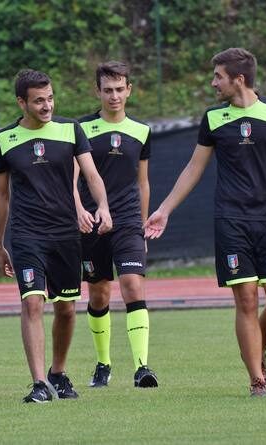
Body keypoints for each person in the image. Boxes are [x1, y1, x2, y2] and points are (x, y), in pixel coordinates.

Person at [144, 48, 266, 397]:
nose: (213, 83)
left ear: (239, 79)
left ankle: (256, 349)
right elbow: (194, 168)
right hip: (231, 221)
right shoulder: (213, 119)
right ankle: (256, 379)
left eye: (218, 77)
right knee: (247, 301)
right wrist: (164, 209)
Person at [0, 69, 112, 403]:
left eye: (50, 99)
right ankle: (39, 383)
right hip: (27, 234)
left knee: (67, 309)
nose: (46, 106)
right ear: (21, 102)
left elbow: (91, 174)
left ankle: (58, 373)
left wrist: (103, 206)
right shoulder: (4, 139)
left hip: (65, 234)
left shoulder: (71, 130)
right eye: (38, 101)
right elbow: (1, 194)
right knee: (32, 302)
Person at [74, 61, 158, 388]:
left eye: (120, 89)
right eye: (107, 90)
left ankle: (142, 367)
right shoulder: (80, 129)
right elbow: (72, 180)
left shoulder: (141, 131)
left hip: (128, 222)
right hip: (93, 224)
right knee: (98, 294)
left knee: (133, 285)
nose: (114, 96)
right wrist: (79, 211)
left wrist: (142, 226)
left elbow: (143, 183)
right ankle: (103, 363)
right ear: (97, 91)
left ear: (129, 90)